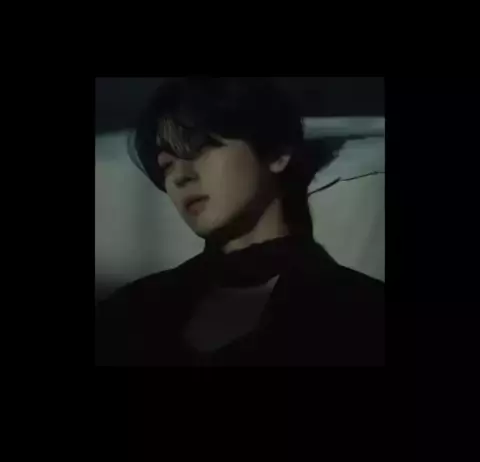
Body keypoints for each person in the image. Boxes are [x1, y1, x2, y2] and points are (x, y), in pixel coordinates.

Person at [95, 76, 384, 366]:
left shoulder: (362, 312)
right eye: (166, 165)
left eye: (201, 148)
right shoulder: (128, 309)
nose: (180, 176)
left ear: (277, 153)